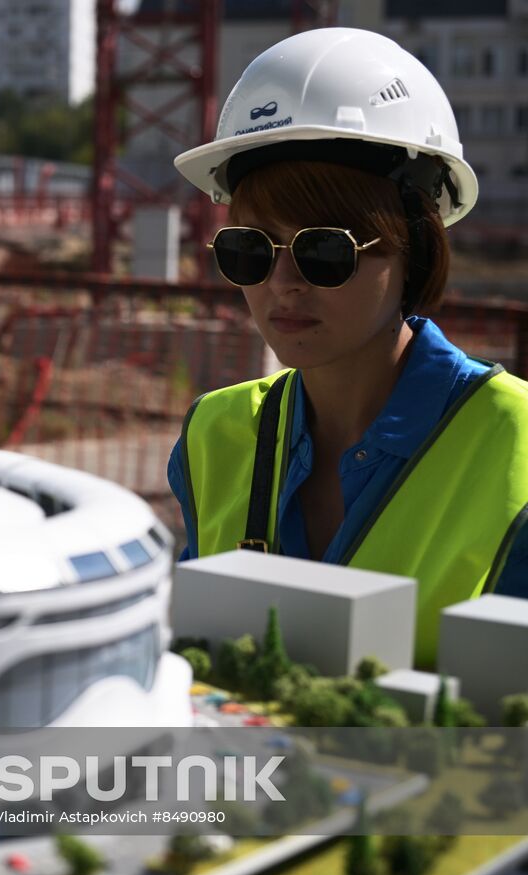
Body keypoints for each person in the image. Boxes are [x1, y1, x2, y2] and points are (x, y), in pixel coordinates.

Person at [166, 27, 528, 671]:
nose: (282, 284)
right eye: (250, 250)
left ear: (414, 246)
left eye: (323, 250)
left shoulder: (517, 443)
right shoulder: (214, 436)